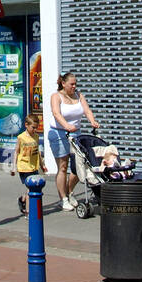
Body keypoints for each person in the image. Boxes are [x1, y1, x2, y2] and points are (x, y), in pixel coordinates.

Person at [48, 72, 99, 211]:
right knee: (63, 167)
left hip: (76, 133)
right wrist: (66, 125)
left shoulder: (79, 95)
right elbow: (56, 113)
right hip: (59, 133)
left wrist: (92, 121)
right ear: (63, 84)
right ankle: (63, 199)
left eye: (76, 84)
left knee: (79, 165)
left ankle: (69, 191)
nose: (74, 86)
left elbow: (87, 110)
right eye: (72, 84)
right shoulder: (56, 96)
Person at [13, 115, 47, 216]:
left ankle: (23, 199)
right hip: (24, 167)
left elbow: (38, 153)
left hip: (33, 166)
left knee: (33, 188)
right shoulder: (21, 137)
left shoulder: (36, 137)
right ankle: (28, 212)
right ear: (26, 125)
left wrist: (42, 165)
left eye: (36, 127)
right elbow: (16, 152)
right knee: (30, 189)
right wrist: (14, 167)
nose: (35, 130)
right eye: (33, 127)